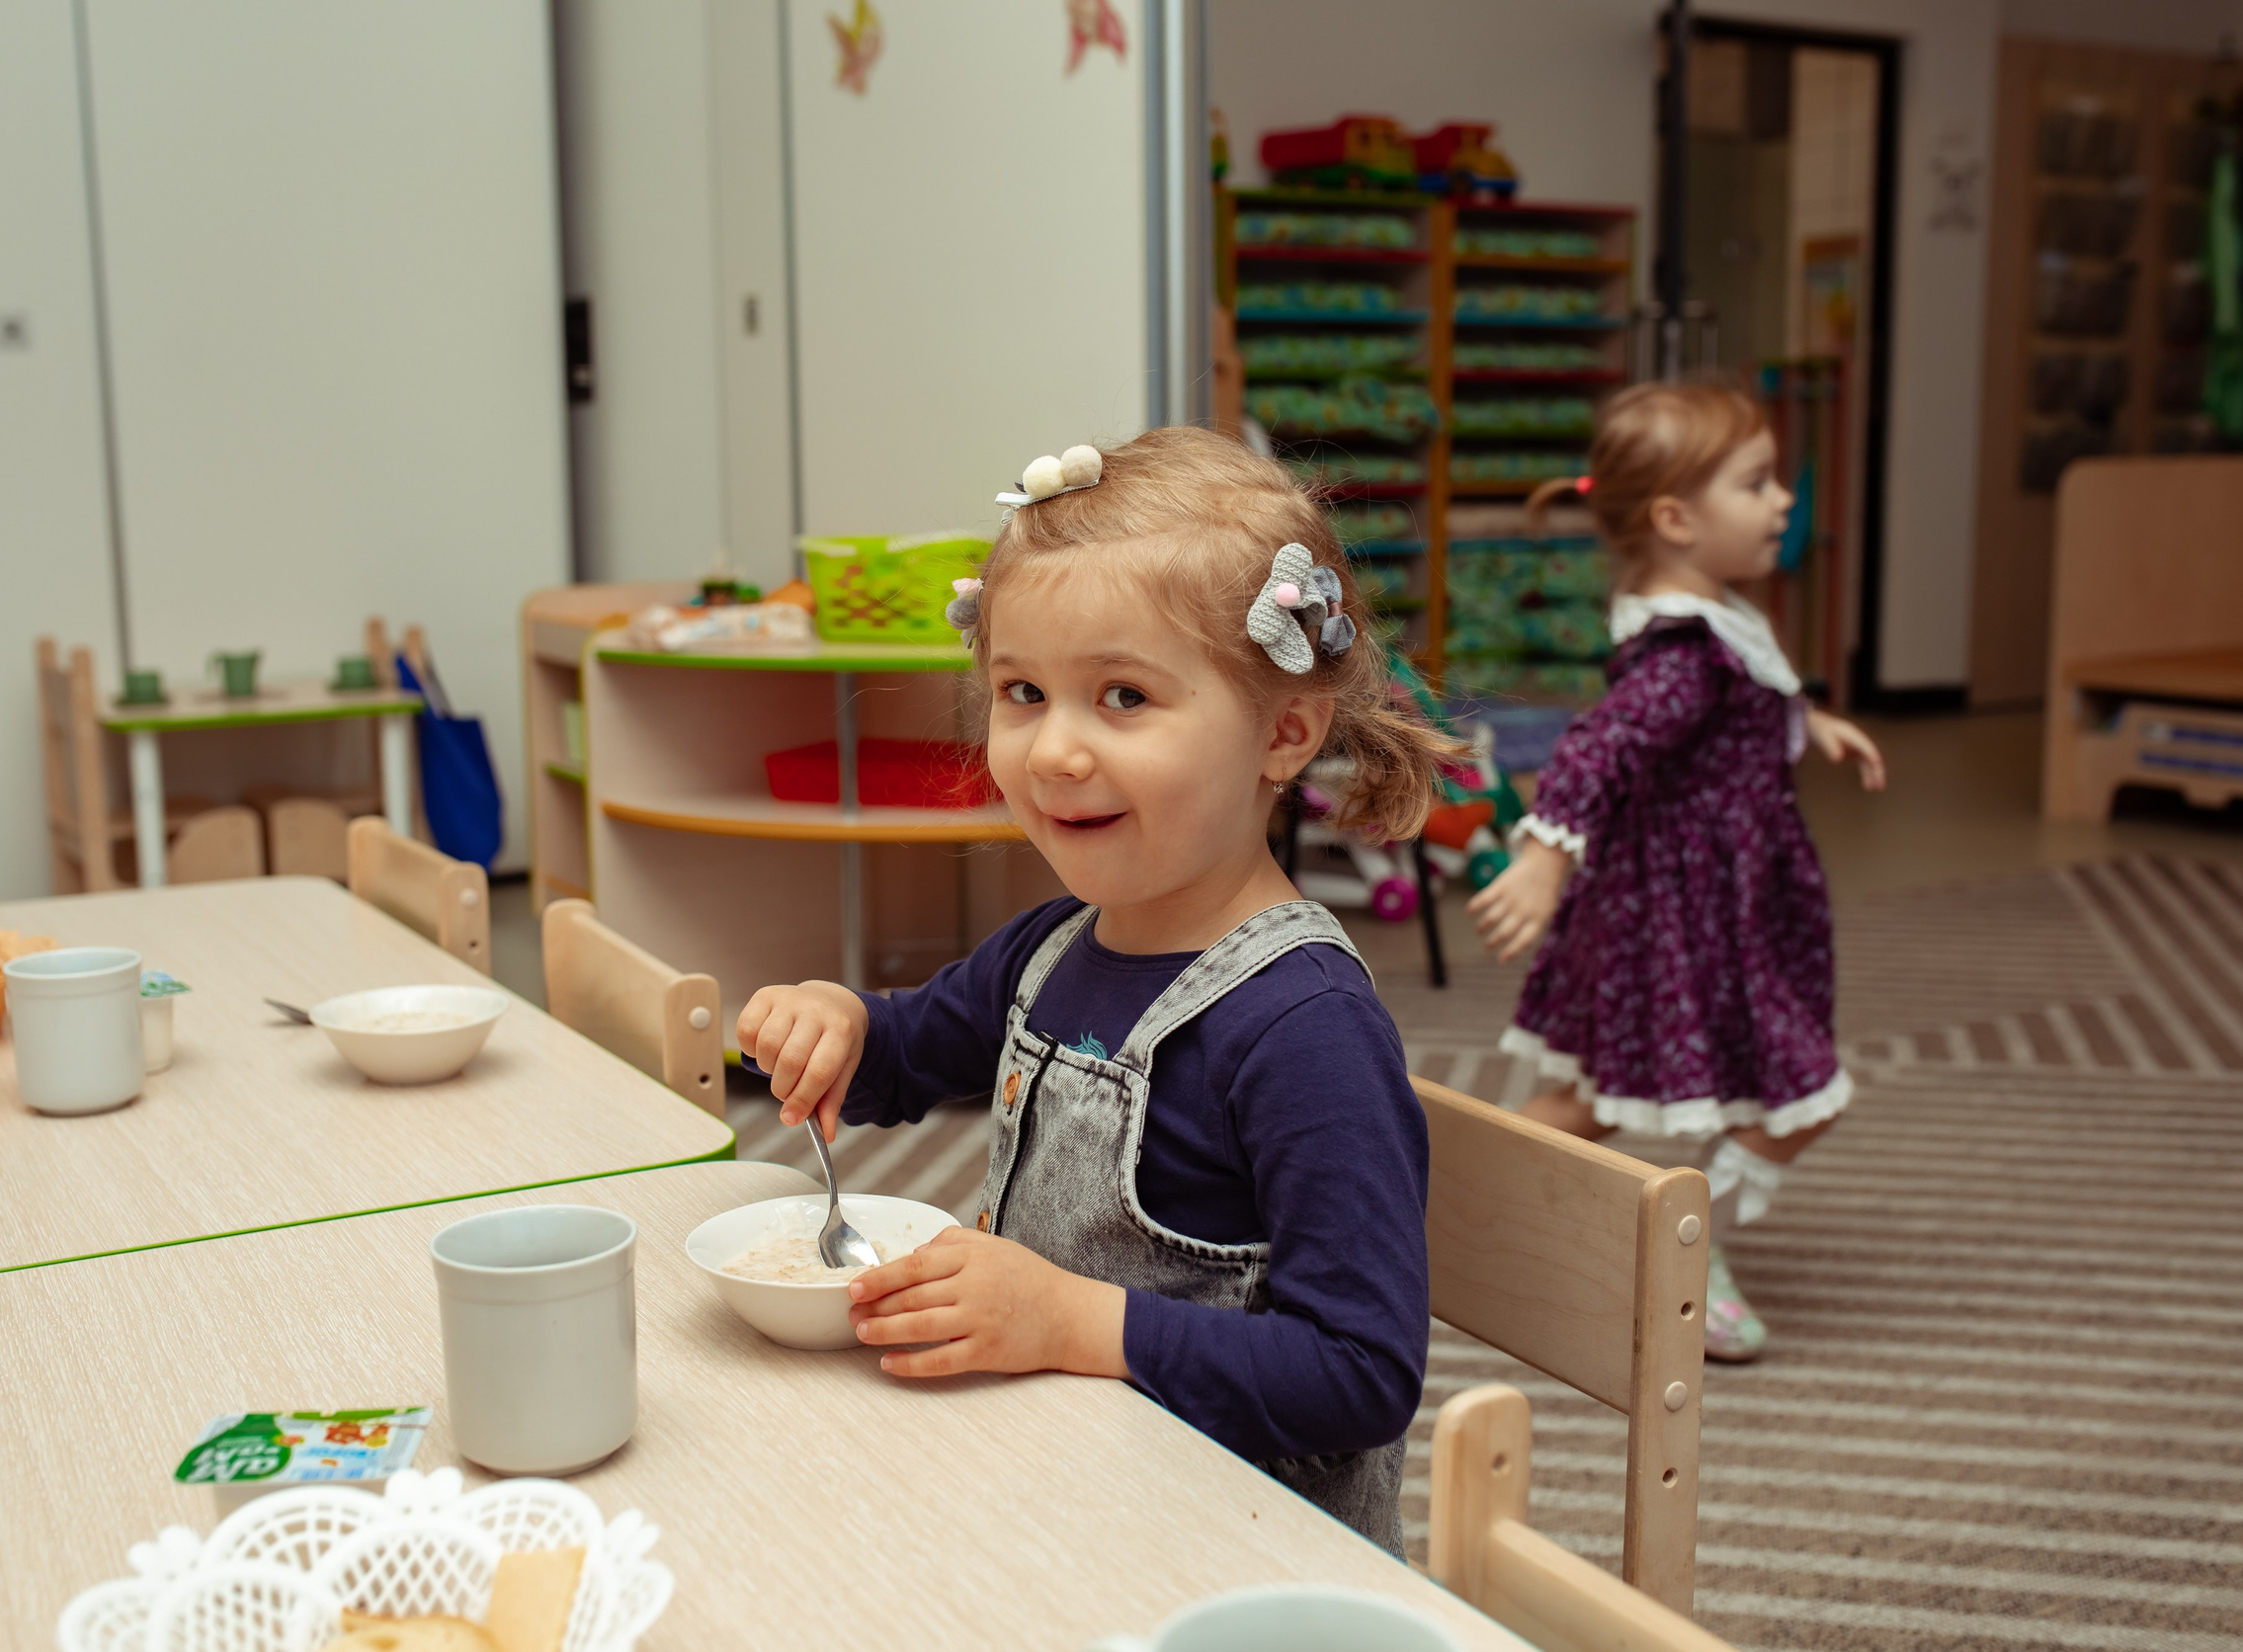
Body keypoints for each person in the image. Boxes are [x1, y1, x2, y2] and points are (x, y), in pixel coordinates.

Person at [738, 428, 1447, 1552]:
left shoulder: (1304, 1030)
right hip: (1059, 1491)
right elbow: (905, 1051)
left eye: (1122, 696)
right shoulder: (1051, 951)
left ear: (1285, 733)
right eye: (1023, 691)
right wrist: (834, 1024)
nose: (1054, 749)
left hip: (1238, 1558)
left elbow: (1358, 1374)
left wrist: (1076, 1322)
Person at [1466, 379, 1885, 1362]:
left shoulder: (1711, 612)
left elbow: (1743, 701)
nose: (1783, 500)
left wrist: (1806, 723)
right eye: (1756, 482)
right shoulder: (1683, 654)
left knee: (1596, 1091)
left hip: (1703, 901)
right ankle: (1691, 1255)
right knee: (1799, 1092)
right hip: (1690, 918)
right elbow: (1597, 748)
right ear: (1675, 519)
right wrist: (1540, 856)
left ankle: (1469, 1204)